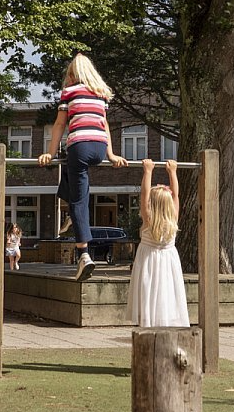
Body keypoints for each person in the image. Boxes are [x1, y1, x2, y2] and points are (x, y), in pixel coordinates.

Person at [38, 54, 128, 281]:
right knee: (72, 172)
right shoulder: (100, 94)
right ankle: (70, 216)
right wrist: (111, 154)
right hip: (98, 149)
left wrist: (50, 152)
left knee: (80, 201)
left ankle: (84, 254)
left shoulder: (69, 92)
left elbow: (60, 124)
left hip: (79, 146)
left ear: (72, 74)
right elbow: (104, 125)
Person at [127, 159, 189, 327]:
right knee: (166, 290)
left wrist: (148, 171)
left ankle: (148, 321)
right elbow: (176, 195)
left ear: (151, 204)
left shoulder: (148, 219)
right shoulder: (173, 218)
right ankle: (167, 320)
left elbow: (143, 194)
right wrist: (173, 172)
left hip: (149, 259)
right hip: (168, 260)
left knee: (149, 289)